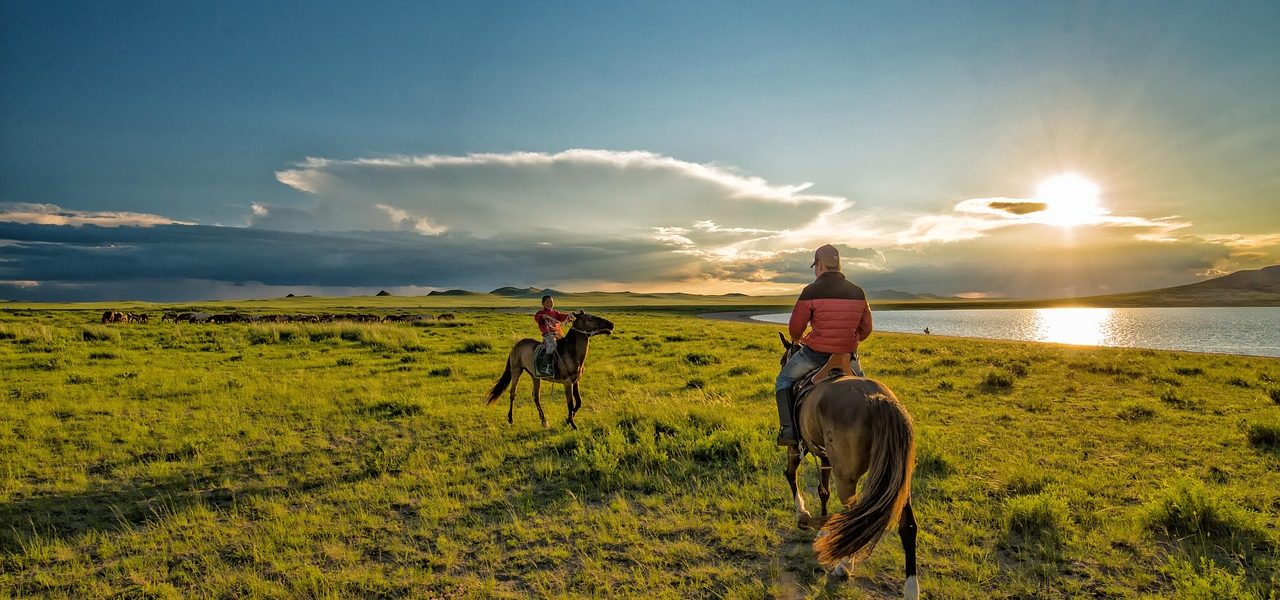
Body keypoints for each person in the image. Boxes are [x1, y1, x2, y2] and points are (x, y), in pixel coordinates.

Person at [774, 244, 873, 446]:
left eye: (816, 266)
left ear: (819, 265)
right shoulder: (858, 292)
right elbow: (866, 330)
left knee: (783, 381)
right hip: (847, 357)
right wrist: (849, 340)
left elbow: (794, 331)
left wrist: (804, 337)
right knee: (869, 392)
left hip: (814, 356)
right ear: (838, 265)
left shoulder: (810, 291)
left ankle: (789, 431)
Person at [534, 294, 573, 360]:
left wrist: (570, 315)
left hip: (559, 335)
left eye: (552, 302)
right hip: (548, 335)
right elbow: (537, 318)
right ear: (543, 304)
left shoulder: (555, 313)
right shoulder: (540, 313)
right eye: (548, 302)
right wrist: (542, 317)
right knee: (552, 345)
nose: (550, 304)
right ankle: (546, 363)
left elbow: (563, 316)